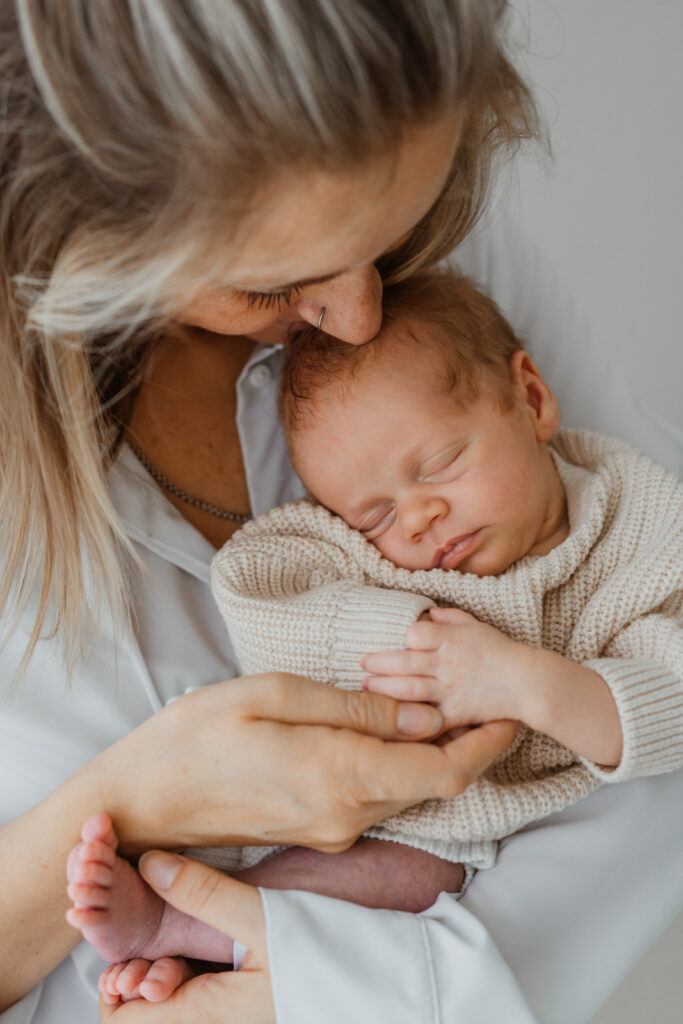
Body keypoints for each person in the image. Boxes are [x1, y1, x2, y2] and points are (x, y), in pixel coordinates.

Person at [1, 3, 681, 1024]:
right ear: (82, 226)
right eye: (273, 282)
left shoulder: (384, 193)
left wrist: (347, 997)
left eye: (394, 235)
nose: (364, 315)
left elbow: (653, 718)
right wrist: (151, 796)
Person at [64, 271, 682, 1004]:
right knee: (373, 863)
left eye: (437, 467)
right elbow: (256, 585)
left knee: (406, 878)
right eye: (374, 517)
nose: (415, 520)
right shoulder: (359, 555)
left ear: (532, 400)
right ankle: (180, 929)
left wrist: (530, 685)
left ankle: (188, 935)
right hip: (378, 804)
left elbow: (670, 696)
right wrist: (402, 633)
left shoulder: (632, 525)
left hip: (495, 835)